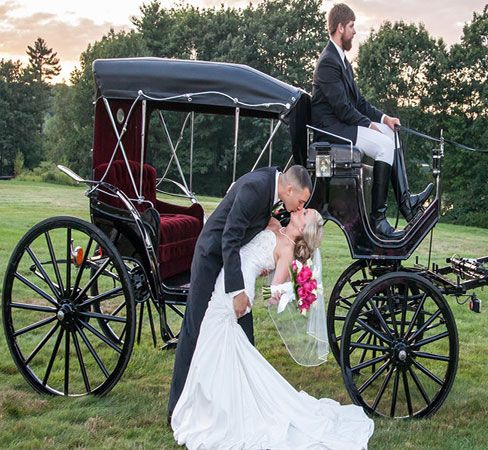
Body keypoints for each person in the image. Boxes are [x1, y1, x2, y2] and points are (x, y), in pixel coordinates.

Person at [171, 208, 374, 449]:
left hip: (236, 292)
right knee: (221, 346)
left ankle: (213, 412)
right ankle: (212, 405)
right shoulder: (276, 226)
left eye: (304, 212)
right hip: (230, 280)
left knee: (213, 339)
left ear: (301, 227)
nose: (301, 209)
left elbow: (273, 295)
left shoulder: (287, 251)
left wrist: (280, 290)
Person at [167, 165, 311, 421]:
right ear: (289, 189)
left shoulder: (271, 185)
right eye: (300, 201)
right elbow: (229, 237)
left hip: (233, 266)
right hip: (211, 259)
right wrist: (237, 291)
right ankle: (176, 407)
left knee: (244, 338)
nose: (299, 207)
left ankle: (243, 403)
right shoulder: (257, 188)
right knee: (194, 328)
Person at [311, 3, 433, 239]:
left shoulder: (343, 62)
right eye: (351, 26)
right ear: (339, 28)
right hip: (332, 131)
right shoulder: (328, 62)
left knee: (391, 134)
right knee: (384, 144)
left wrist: (384, 118)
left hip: (344, 125)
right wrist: (369, 124)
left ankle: (406, 203)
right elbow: (342, 109)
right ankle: (378, 220)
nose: (354, 31)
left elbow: (360, 103)